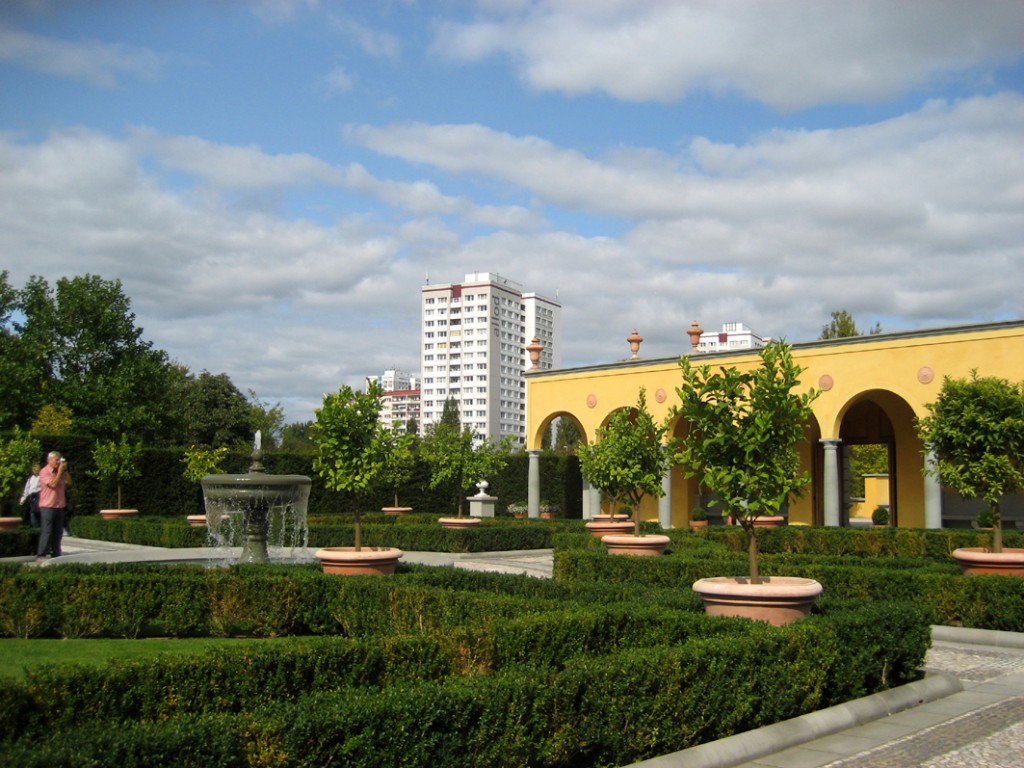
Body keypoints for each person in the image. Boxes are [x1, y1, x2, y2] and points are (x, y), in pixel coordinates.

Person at [36, 451, 71, 561]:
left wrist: (64, 471)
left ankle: (56, 552)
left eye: (59, 460)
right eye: (56, 460)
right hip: (48, 506)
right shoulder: (44, 472)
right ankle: (41, 554)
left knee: (58, 531)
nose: (58, 462)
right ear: (49, 460)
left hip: (59, 505)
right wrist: (60, 472)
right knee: (47, 530)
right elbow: (52, 484)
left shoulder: (60, 471)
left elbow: (69, 482)